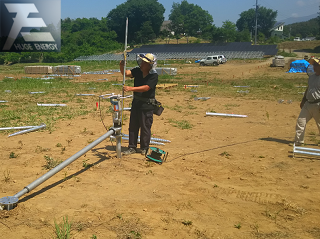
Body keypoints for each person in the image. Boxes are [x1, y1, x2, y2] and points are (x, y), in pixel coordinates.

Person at [119, 53, 158, 155]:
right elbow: (126, 73)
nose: (142, 64)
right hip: (136, 103)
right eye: (142, 62)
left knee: (145, 127)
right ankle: (132, 147)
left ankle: (144, 147)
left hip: (147, 105)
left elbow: (146, 87)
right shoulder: (137, 71)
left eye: (144, 63)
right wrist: (121, 66)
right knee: (133, 126)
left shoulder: (153, 76)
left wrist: (131, 89)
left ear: (149, 65)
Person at [294, 58, 320, 146]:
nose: (314, 67)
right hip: (308, 104)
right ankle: (298, 142)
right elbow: (308, 89)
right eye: (314, 65)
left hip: (318, 104)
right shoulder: (312, 77)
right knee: (300, 122)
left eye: (316, 65)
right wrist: (303, 100)